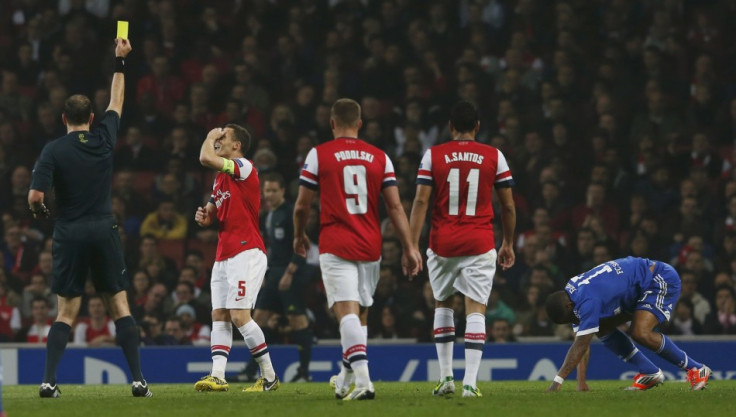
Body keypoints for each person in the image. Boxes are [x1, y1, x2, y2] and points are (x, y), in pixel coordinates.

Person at [27, 37, 151, 398]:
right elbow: (118, 100)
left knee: (66, 311)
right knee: (118, 304)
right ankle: (139, 380)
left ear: (64, 118)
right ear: (92, 119)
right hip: (102, 227)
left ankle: (49, 381)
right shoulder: (103, 139)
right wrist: (119, 61)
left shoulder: (53, 150)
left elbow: (35, 196)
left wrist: (39, 210)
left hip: (69, 231)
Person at [293, 98, 422, 400]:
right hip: (371, 245)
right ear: (360, 124)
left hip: (337, 243)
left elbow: (301, 205)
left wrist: (299, 234)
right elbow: (395, 206)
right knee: (360, 316)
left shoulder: (319, 154)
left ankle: (364, 382)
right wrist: (409, 247)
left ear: (332, 123)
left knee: (346, 313)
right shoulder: (380, 157)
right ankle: (345, 377)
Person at [409, 100, 516, 398]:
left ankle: (446, 379)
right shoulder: (494, 155)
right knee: (475, 308)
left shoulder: (434, 155)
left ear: (450, 127)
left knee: (443, 303)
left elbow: (420, 201)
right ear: (478, 127)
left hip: (443, 243)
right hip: (480, 242)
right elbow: (507, 205)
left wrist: (411, 245)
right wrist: (508, 242)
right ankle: (470, 382)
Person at [192, 124, 279, 393]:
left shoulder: (244, 167)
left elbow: (205, 158)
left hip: (247, 251)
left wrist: (207, 137)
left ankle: (269, 377)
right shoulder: (220, 180)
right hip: (224, 254)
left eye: (223, 137)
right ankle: (218, 375)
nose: (217, 140)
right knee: (219, 314)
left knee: (240, 316)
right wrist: (205, 217)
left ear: (237, 145)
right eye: (216, 137)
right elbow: (212, 211)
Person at [545, 257, 711, 392]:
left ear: (568, 307)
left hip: (658, 279)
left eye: (571, 319)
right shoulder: (572, 291)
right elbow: (580, 341)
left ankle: (696, 369)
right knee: (602, 328)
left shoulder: (587, 302)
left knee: (640, 332)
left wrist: (557, 382)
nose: (574, 321)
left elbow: (581, 345)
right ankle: (649, 372)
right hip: (633, 291)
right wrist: (581, 383)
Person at [240, 172, 315, 382]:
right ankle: (249, 370)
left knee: (297, 321)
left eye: (274, 190)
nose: (270, 195)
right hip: (273, 273)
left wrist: (290, 272)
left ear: (282, 191)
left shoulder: (291, 213)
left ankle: (304, 372)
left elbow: (301, 244)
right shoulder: (268, 215)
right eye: (267, 191)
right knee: (258, 319)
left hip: (290, 273)